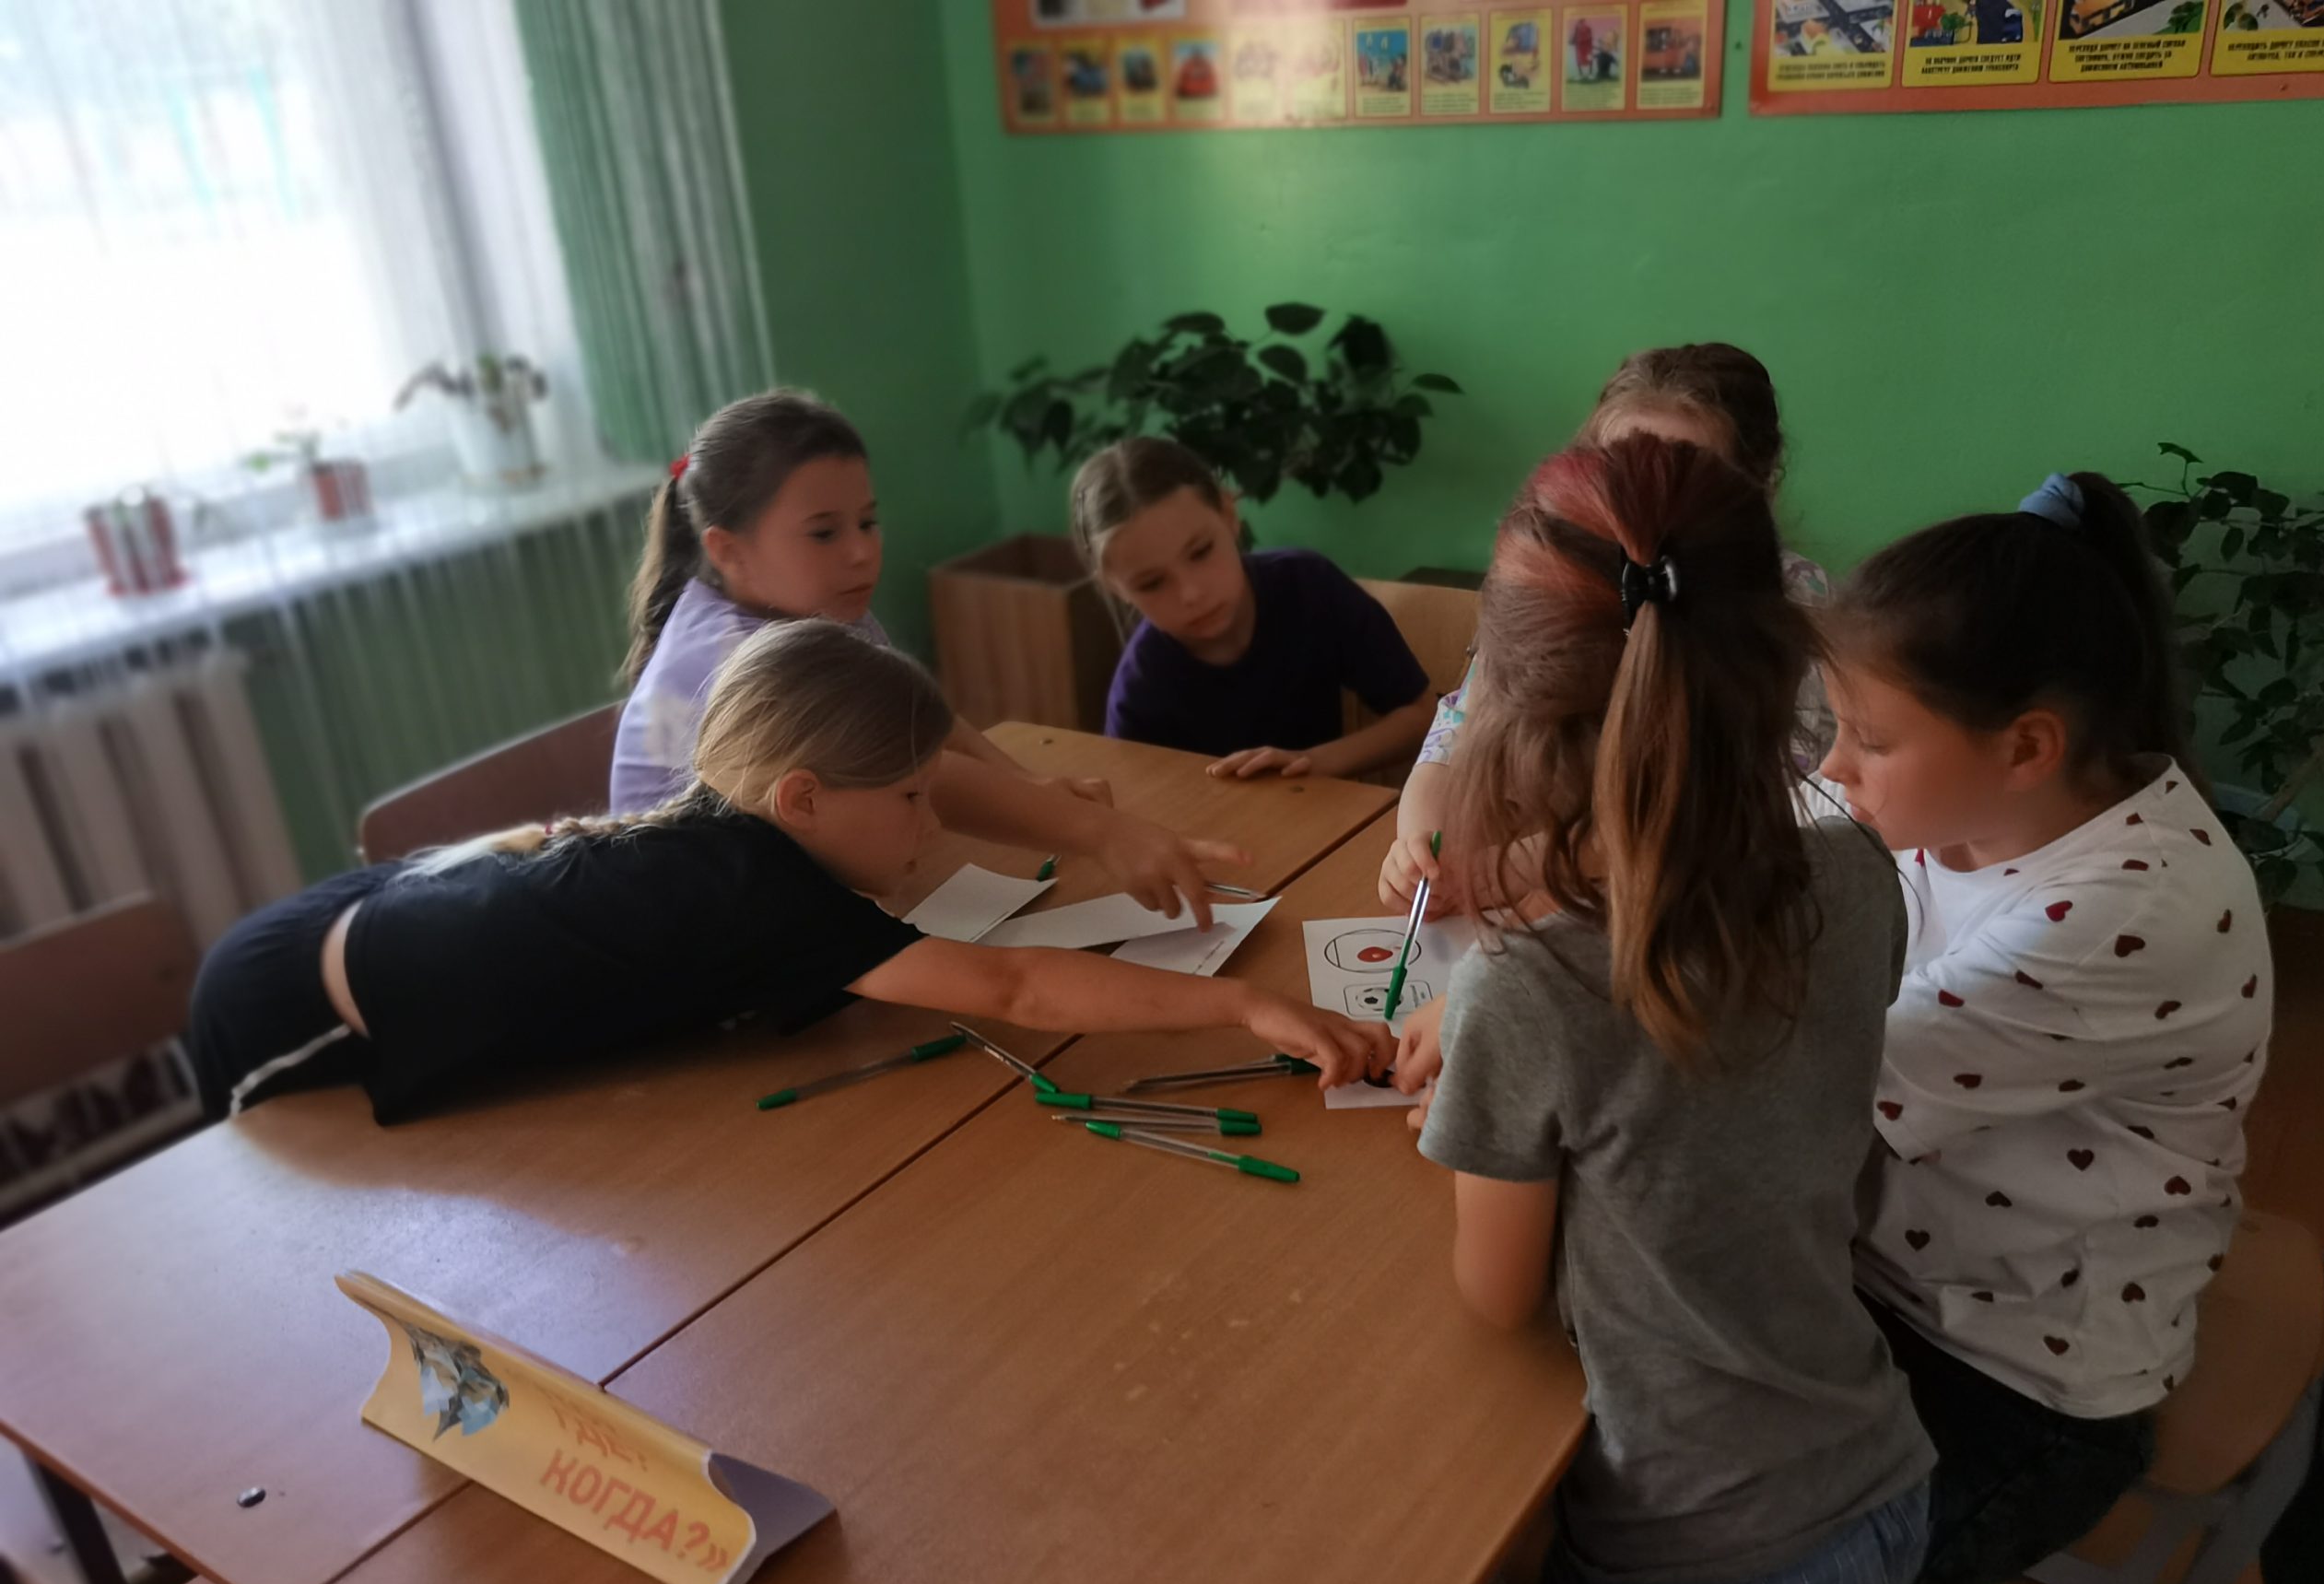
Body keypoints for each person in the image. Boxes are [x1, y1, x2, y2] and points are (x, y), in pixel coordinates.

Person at [1394, 433, 1932, 1584]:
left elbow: (1494, 1295)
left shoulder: (1530, 990)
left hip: (1701, 1564)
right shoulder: (1857, 873)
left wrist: (1486, 1082)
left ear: (1502, 702)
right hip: (1870, 1465)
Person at [189, 622, 1391, 1126]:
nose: (933, 821)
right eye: (910, 798)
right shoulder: (761, 890)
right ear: (803, 798)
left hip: (363, 917)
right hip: (287, 1007)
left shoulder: (736, 824)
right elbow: (1017, 989)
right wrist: (1244, 1005)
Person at [1822, 472, 2272, 1584]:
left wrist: (1556, 1006)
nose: (1834, 766)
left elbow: (1810, 1076)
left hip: (2015, 1372)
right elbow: (1784, 846)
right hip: (1881, 1267)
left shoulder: (2127, 910)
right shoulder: (1965, 803)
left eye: (1868, 740)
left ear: (2025, 746)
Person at [612, 390, 1239, 927]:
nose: (862, 552)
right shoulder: (734, 657)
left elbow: (918, 724)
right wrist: (1096, 832)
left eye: (868, 522)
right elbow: (925, 771)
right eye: (824, 532)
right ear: (728, 551)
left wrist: (1029, 787)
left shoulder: (823, 609)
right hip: (697, 937)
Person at [1381, 342, 1831, 912]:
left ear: (1757, 487)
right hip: (1553, 893)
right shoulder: (1553, 575)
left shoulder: (1793, 603)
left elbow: (1759, 806)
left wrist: (1523, 865)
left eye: (1683, 473)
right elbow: (1463, 721)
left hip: (1700, 904)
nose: (1639, 503)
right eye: (1615, 469)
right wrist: (1422, 845)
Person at [1075, 437, 1438, 781]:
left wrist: (1313, 763)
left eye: (1200, 552)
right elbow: (1136, 806)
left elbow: (1421, 714)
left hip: (1322, 814)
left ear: (1229, 514)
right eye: (1152, 583)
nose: (1190, 594)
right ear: (1115, 587)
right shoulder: (1138, 692)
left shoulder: (1308, 586)